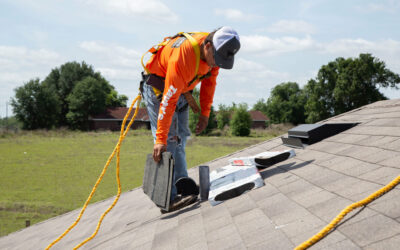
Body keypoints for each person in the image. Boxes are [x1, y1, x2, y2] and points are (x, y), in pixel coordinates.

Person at [141, 26, 240, 213]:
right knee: (168, 141)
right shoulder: (184, 57)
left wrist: (205, 114)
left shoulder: (215, 55)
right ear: (208, 46)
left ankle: (181, 184)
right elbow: (168, 101)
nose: (216, 64)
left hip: (181, 89)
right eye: (216, 59)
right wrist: (160, 138)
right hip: (159, 88)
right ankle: (166, 198)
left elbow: (210, 83)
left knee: (181, 137)